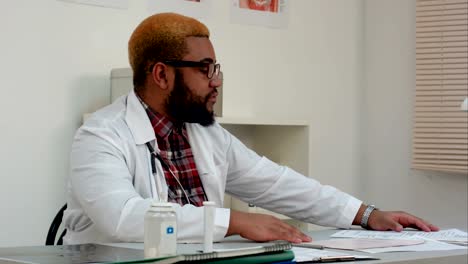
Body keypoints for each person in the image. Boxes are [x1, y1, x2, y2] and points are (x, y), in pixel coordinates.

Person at [62, 12, 439, 244]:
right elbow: (122, 218)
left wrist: (367, 214)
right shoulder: (101, 136)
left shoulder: (205, 133)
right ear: (161, 73)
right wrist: (236, 221)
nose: (216, 81)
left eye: (216, 68)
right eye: (204, 68)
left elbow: (276, 183)